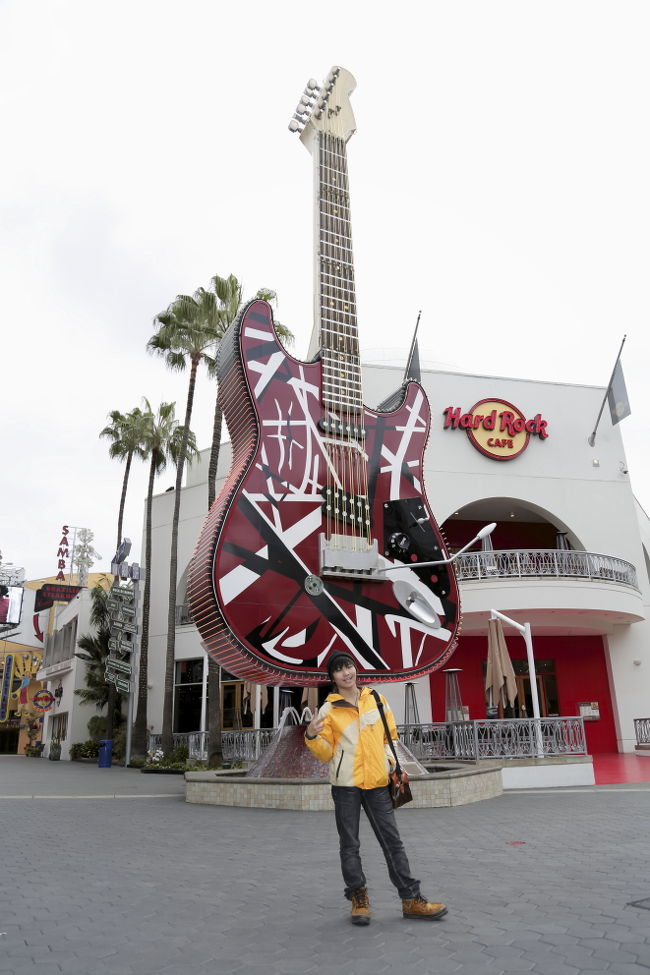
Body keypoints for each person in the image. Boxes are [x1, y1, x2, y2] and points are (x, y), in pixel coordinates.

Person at [304, 651, 447, 926]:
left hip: (378, 784)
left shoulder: (377, 700)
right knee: (350, 845)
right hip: (346, 786)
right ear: (332, 678)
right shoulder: (328, 710)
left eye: (349, 667)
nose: (347, 673)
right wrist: (311, 735)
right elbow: (324, 753)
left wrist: (388, 761)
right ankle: (359, 898)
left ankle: (411, 900)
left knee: (393, 842)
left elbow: (389, 737)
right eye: (339, 670)